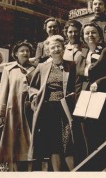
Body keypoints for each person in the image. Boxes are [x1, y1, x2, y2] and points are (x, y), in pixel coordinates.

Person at [29, 35, 79, 171]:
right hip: (48, 110)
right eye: (53, 47)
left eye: (59, 46)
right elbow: (32, 87)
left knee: (68, 142)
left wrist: (73, 96)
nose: (56, 49)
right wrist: (34, 97)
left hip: (66, 109)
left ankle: (74, 172)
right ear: (47, 51)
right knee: (53, 143)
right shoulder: (42, 66)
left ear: (63, 48)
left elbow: (77, 85)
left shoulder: (71, 65)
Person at [75, 22, 106, 170]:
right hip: (84, 98)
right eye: (87, 33)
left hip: (102, 97)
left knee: (101, 132)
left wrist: (100, 82)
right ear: (83, 37)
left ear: (100, 35)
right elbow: (78, 79)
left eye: (93, 32)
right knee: (86, 133)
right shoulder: (81, 56)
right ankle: (92, 167)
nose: (90, 36)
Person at [0, 40, 35, 171]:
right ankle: (14, 171)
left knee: (29, 140)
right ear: (16, 53)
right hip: (13, 110)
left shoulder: (36, 69)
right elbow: (3, 91)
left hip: (30, 111)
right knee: (12, 141)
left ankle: (30, 170)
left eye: (27, 51)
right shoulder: (8, 70)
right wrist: (0, 112)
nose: (25, 53)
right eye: (22, 51)